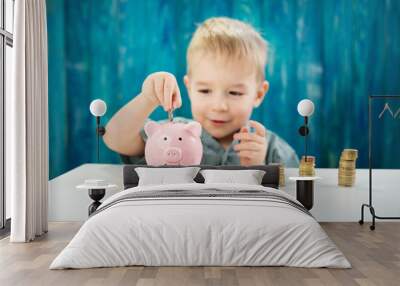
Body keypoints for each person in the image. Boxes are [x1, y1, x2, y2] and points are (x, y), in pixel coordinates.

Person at [103, 17, 299, 167]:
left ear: (258, 94)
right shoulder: (172, 132)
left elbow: (294, 196)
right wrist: (147, 98)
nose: (219, 106)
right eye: (205, 90)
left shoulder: (273, 150)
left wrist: (262, 168)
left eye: (235, 93)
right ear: (189, 88)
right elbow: (114, 138)